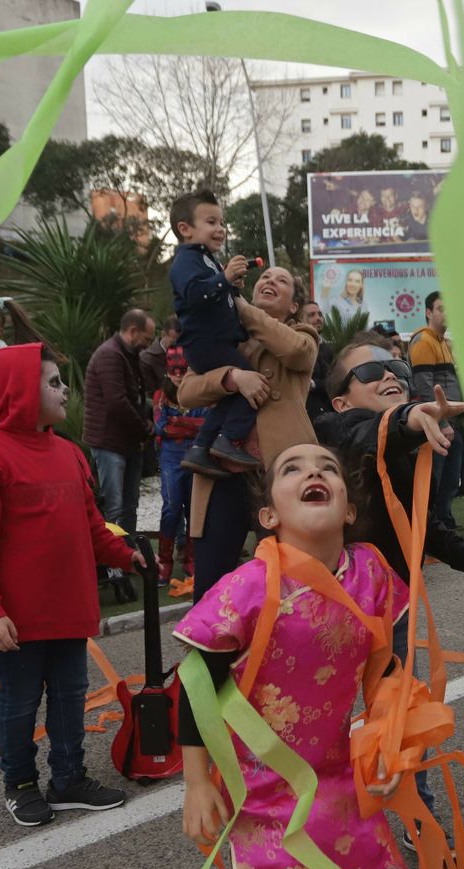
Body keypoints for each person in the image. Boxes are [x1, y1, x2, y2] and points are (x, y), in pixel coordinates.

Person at [174, 443, 414, 869]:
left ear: (348, 510)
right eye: (292, 468)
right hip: (264, 792)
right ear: (268, 516)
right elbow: (196, 684)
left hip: (344, 778)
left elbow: (387, 670)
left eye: (327, 468)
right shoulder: (247, 588)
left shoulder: (371, 574)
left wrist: (389, 740)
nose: (312, 473)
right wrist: (197, 781)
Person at [0, 344, 139, 826]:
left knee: (72, 696)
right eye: (52, 383)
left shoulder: (69, 453)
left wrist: (126, 555)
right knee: (18, 703)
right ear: (15, 394)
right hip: (18, 619)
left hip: (68, 609)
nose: (64, 390)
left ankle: (69, 778)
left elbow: (93, 526)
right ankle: (20, 783)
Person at [316, 333, 464, 824]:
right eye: (373, 372)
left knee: (402, 715)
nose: (391, 375)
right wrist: (406, 419)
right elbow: (359, 432)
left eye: (397, 368)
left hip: (389, 604)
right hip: (326, 610)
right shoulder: (330, 429)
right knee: (319, 724)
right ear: (341, 397)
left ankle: (421, 818)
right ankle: (326, 826)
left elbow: (419, 521)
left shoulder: (404, 442)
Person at [178, 266, 320, 606]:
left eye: (282, 280)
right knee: (212, 587)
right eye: (265, 278)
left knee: (292, 581)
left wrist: (241, 307)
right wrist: (231, 378)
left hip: (281, 476)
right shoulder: (222, 335)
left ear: (293, 307)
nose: (270, 281)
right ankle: (210, 657)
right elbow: (186, 392)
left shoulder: (302, 334)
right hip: (221, 473)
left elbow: (298, 353)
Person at [168, 189, 260, 479]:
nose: (220, 229)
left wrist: (231, 286)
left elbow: (214, 295)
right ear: (185, 229)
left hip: (214, 342)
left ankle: (201, 447)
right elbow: (196, 295)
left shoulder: (205, 258)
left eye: (222, 223)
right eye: (211, 222)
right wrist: (224, 279)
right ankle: (228, 439)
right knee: (251, 382)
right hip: (205, 344)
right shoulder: (185, 261)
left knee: (231, 396)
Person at [83, 308, 155, 533]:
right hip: (110, 443)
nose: (148, 344)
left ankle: (129, 556)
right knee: (113, 507)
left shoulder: (128, 355)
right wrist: (143, 429)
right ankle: (113, 562)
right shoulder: (110, 355)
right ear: (133, 331)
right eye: (147, 339)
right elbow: (117, 403)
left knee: (129, 505)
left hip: (128, 442)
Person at [407, 292, 464, 529]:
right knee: (435, 480)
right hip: (439, 426)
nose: (446, 314)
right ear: (429, 312)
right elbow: (424, 387)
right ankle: (431, 530)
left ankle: (444, 525)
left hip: (452, 424)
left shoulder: (443, 342)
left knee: (450, 481)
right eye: (441, 308)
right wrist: (442, 424)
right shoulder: (423, 341)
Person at [154, 347, 204, 588]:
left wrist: (177, 422)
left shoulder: (198, 392)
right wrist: (188, 425)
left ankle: (190, 560)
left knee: (194, 508)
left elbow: (205, 425)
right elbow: (159, 428)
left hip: (195, 457)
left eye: (182, 370)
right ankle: (164, 561)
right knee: (172, 508)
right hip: (171, 459)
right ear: (167, 371)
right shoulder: (161, 396)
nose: (178, 375)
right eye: (174, 371)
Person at [301, 297, 334, 423]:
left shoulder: (327, 350)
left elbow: (334, 381)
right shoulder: (293, 347)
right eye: (311, 315)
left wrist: (312, 384)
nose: (318, 318)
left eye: (320, 314)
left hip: (327, 416)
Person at [139, 314, 179, 401]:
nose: (178, 347)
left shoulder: (189, 353)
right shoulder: (147, 359)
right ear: (163, 334)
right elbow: (149, 394)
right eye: (174, 343)